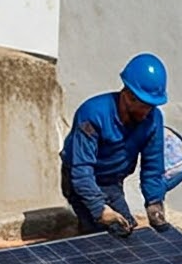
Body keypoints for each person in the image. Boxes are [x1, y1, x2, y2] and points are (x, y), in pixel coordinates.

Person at [60, 53, 172, 237]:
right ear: (128, 95)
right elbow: (81, 171)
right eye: (144, 105)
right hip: (80, 180)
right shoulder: (92, 114)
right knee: (97, 236)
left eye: (152, 106)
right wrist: (100, 210)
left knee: (126, 230)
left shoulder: (153, 119)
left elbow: (153, 167)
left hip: (112, 181)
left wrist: (154, 203)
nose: (148, 112)